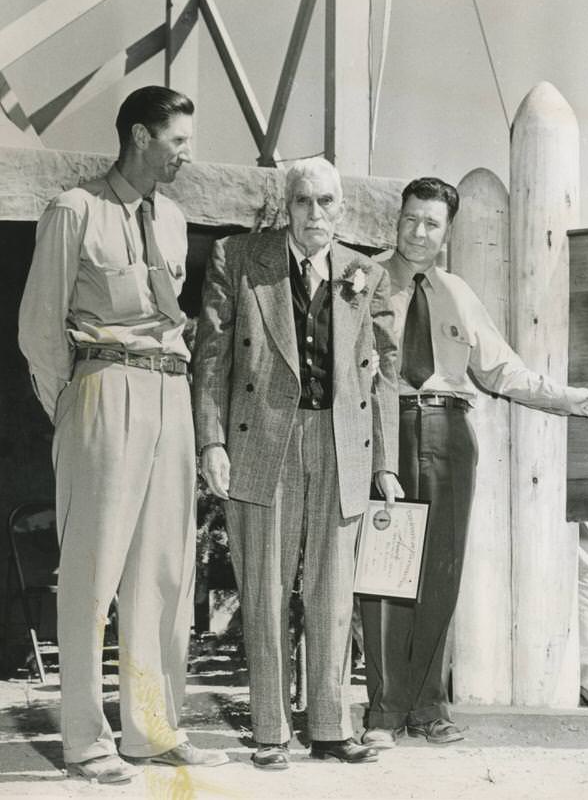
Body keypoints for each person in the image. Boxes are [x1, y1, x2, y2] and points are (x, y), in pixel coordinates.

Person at [17, 85, 227, 784]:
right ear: (140, 137)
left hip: (170, 392)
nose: (185, 157)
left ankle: (149, 727)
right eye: (177, 143)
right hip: (105, 388)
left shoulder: (171, 218)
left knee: (164, 571)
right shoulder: (75, 210)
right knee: (91, 574)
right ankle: (86, 740)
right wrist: (75, 407)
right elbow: (39, 330)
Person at [359, 176, 588, 748]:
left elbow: (502, 371)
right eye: (410, 219)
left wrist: (567, 397)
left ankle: (427, 709)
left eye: (431, 223)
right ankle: (382, 714)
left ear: (446, 233)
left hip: (450, 431)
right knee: (385, 572)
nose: (418, 232)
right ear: (396, 220)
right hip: (387, 429)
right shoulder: (363, 280)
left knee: (441, 575)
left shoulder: (457, 292)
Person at [192, 158, 399, 770]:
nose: (315, 214)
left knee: (334, 591)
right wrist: (211, 442)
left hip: (342, 442)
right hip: (263, 440)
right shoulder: (238, 258)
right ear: (288, 205)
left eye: (327, 203)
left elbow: (383, 375)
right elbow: (209, 358)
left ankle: (332, 726)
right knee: (265, 588)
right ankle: (270, 730)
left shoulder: (366, 273)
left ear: (343, 209)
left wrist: (384, 461)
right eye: (304, 201)